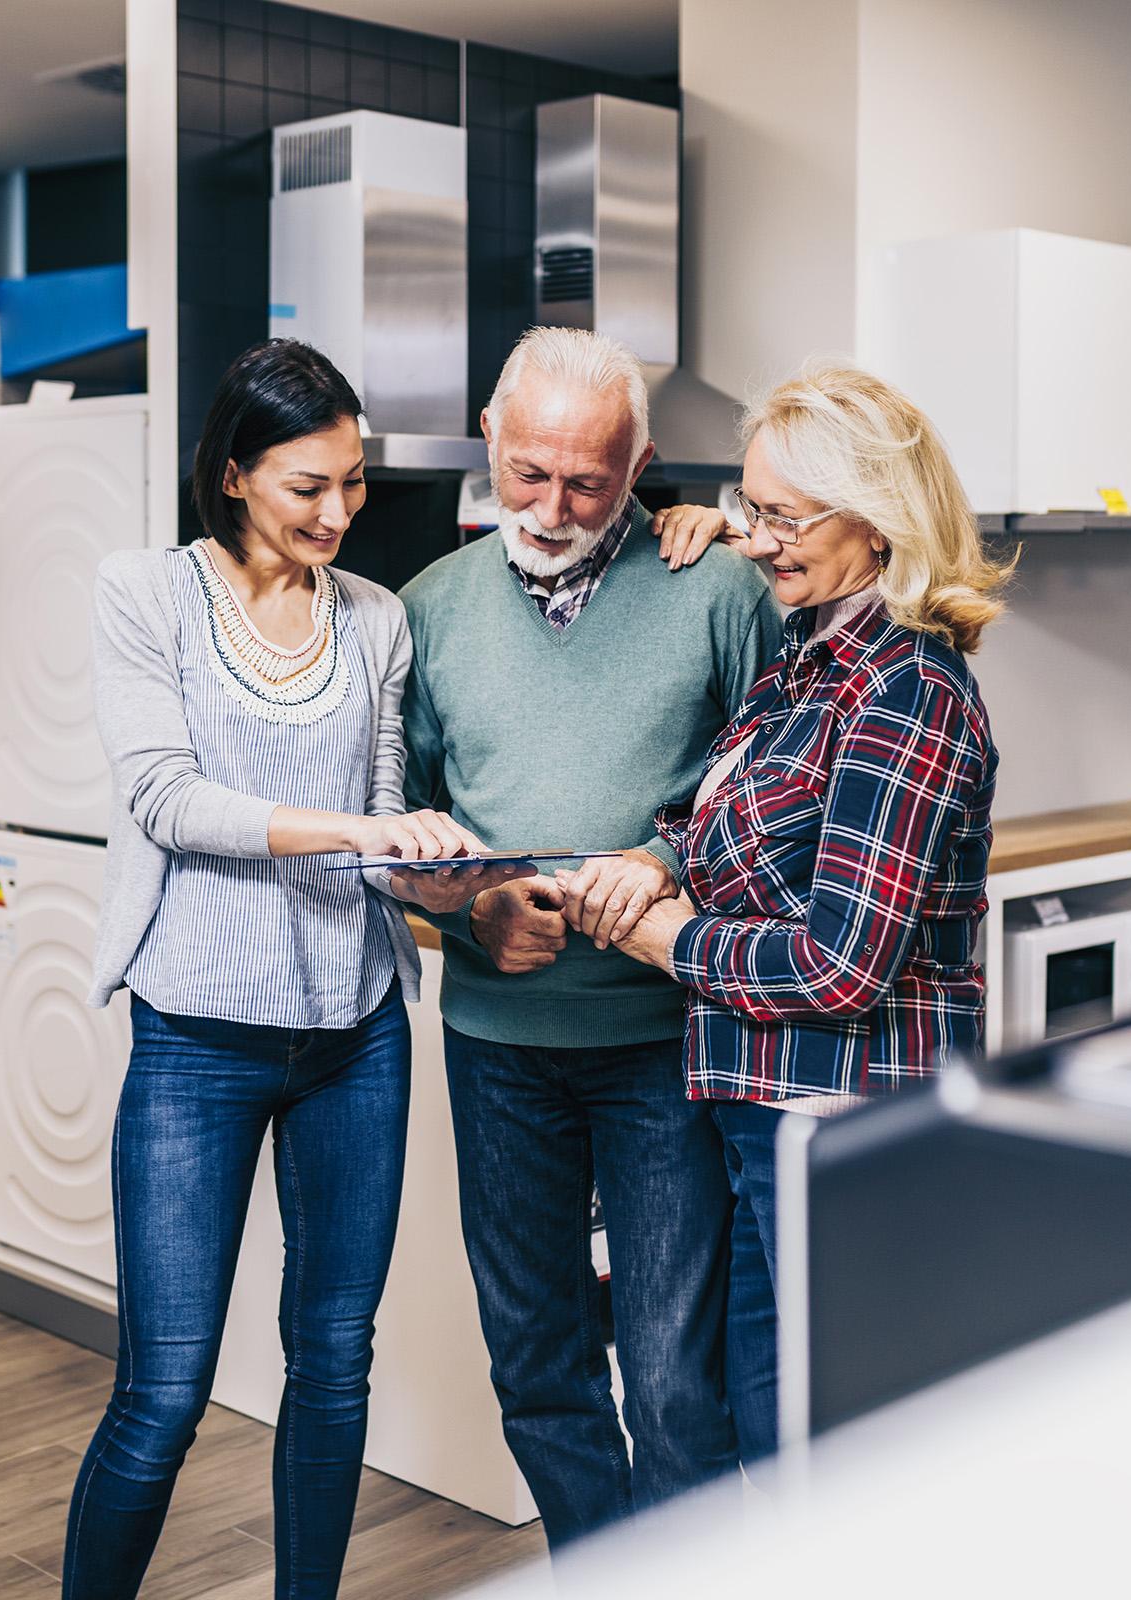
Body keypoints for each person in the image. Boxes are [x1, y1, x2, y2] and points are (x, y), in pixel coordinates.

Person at [63, 339, 516, 1600]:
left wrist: (429, 865)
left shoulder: (374, 619)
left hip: (355, 1038)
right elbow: (165, 797)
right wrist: (368, 832)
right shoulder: (144, 593)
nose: (339, 512)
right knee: (162, 1390)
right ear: (232, 474)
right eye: (308, 485)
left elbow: (378, 826)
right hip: (196, 1042)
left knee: (332, 1361)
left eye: (355, 483)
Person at [392, 325, 785, 1548]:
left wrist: (663, 866)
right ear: (491, 445)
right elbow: (396, 833)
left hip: (664, 1041)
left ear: (644, 464)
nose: (553, 507)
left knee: (673, 1380)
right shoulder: (426, 611)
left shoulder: (717, 587)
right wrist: (458, 910)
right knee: (540, 1364)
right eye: (527, 473)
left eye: (590, 481)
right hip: (499, 1045)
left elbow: (773, 794)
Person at [600, 361, 1012, 1463]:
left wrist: (669, 938)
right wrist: (659, 860)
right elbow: (741, 816)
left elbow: (843, 964)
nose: (758, 538)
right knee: (772, 1444)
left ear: (876, 521)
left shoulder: (908, 690)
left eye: (781, 515)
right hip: (762, 1113)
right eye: (749, 507)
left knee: (841, 1459)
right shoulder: (807, 660)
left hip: (846, 1127)